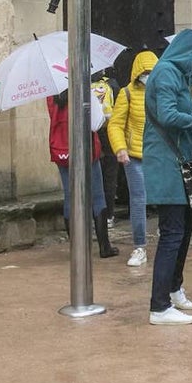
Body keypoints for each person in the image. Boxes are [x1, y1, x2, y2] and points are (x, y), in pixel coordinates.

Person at [140, 29, 192, 326]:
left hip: (176, 161)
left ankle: (174, 289)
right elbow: (166, 115)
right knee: (172, 232)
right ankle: (159, 307)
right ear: (189, 53)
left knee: (184, 227)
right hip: (166, 164)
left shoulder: (178, 75)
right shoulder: (165, 74)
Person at [47, 89, 119, 259]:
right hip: (86, 148)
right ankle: (104, 246)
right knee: (98, 197)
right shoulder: (83, 90)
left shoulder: (51, 96)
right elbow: (96, 122)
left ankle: (76, 249)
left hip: (62, 149)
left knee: (70, 196)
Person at [107, 50, 158, 267]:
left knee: (165, 199)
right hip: (134, 156)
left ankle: (167, 241)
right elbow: (116, 124)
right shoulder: (126, 93)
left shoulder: (162, 92)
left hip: (158, 155)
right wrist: (120, 148)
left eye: (151, 72)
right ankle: (140, 246)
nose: (147, 75)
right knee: (139, 200)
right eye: (144, 71)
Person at [92, 70, 119, 230]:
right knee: (110, 176)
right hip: (109, 133)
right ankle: (108, 215)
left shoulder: (82, 84)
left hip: (91, 134)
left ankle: (95, 214)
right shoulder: (112, 84)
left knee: (94, 176)